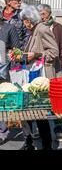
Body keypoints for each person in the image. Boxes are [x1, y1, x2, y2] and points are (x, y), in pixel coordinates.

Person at [20, 5, 59, 150]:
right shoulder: (33, 30)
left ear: (30, 19)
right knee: (33, 111)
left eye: (24, 20)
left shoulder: (42, 29)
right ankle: (36, 143)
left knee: (41, 112)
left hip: (42, 75)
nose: (23, 23)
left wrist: (36, 55)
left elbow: (54, 51)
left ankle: (47, 145)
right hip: (34, 73)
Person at [38, 4, 62, 143]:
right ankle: (41, 127)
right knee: (41, 95)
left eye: (43, 14)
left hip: (55, 67)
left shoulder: (58, 27)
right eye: (39, 14)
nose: (41, 16)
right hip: (40, 66)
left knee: (57, 98)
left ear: (49, 14)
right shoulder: (37, 27)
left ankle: (58, 129)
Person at [0, 16, 20, 145]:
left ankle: (2, 131)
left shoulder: (9, 27)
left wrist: (10, 56)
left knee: (3, 100)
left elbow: (17, 48)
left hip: (3, 70)